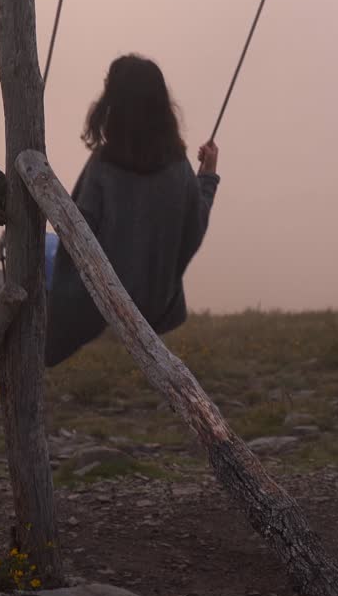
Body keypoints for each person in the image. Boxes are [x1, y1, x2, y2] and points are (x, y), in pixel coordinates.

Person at [44, 54, 220, 367]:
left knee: (38, 248)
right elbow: (193, 231)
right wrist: (206, 177)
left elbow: (76, 236)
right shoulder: (179, 169)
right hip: (156, 304)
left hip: (99, 302)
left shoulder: (104, 167)